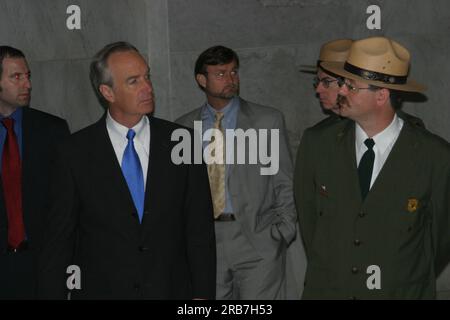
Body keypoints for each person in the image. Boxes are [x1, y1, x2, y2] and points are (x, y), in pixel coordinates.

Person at [38, 42, 216, 299]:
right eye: (133, 81)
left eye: (147, 76)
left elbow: (199, 231)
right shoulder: (73, 152)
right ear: (107, 92)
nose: (147, 87)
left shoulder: (182, 141)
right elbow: (59, 240)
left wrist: (202, 296)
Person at [294, 36, 450, 299]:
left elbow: (439, 241)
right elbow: (311, 226)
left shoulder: (434, 156)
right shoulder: (318, 143)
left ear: (381, 95)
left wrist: (399, 274)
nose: (341, 92)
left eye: (352, 87)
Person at [176, 45, 297, 299]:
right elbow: (179, 192)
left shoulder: (267, 120)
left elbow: (284, 181)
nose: (230, 80)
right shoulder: (184, 128)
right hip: (205, 241)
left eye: (233, 72)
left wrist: (281, 233)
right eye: (220, 74)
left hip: (257, 239)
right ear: (201, 80)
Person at [0, 46, 70, 299]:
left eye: (27, 75)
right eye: (16, 77)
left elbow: (66, 201)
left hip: (42, 264)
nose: (27, 84)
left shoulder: (52, 130)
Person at [310, 39, 424, 129]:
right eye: (317, 81)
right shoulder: (321, 135)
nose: (318, 89)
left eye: (326, 82)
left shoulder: (416, 137)